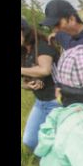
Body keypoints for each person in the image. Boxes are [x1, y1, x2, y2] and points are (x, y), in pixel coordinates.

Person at [21, 16, 60, 151]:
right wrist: (26, 85)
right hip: (40, 102)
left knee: (58, 142)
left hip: (57, 102)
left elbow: (44, 70)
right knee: (30, 141)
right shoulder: (23, 52)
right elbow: (25, 79)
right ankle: (47, 162)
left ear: (25, 31)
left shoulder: (42, 46)